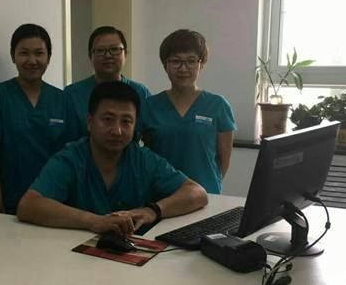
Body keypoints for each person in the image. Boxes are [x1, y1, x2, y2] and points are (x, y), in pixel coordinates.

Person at [17, 81, 208, 236]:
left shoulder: (143, 159)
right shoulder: (71, 158)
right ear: (90, 122)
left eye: (126, 121)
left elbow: (197, 193)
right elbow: (29, 205)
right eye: (108, 119)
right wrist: (93, 221)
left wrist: (153, 211)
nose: (117, 131)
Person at [0, 24, 66, 214]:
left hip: (54, 202)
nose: (32, 60)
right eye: (23, 53)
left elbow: (74, 152)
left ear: (49, 57)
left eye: (39, 53)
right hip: (8, 203)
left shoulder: (63, 100)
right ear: (13, 56)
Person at [141, 29, 236, 194]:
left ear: (201, 64)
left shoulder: (218, 106)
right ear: (165, 65)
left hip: (207, 195)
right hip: (162, 196)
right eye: (175, 61)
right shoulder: (150, 106)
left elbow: (224, 161)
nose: (183, 68)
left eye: (191, 61)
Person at [64, 26, 151, 141]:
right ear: (90, 56)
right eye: (100, 51)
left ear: (125, 54)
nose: (108, 55)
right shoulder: (72, 94)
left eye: (115, 49)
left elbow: (148, 136)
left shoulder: (141, 92)